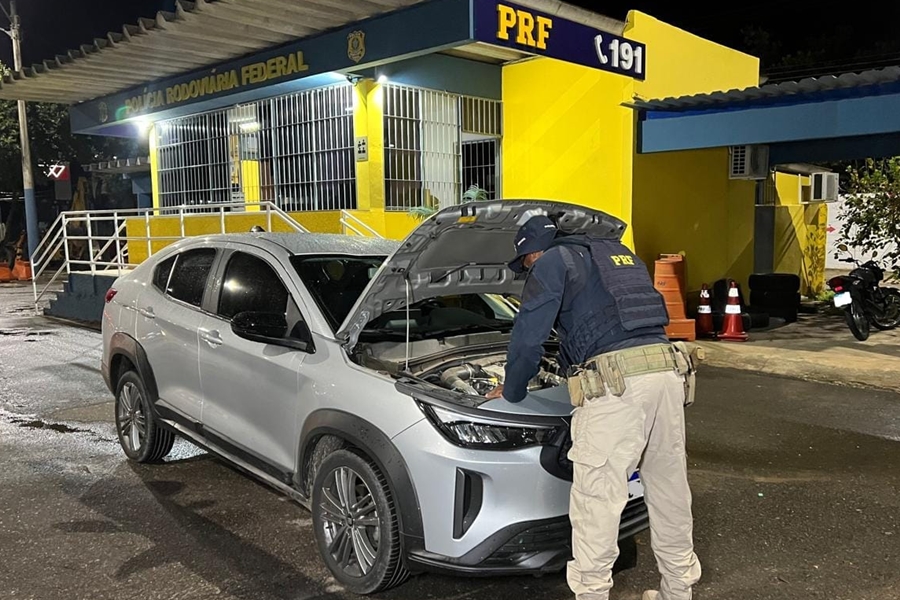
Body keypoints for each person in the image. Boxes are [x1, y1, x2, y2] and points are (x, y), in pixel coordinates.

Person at [486, 214, 702, 600]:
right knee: (669, 490)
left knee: (597, 500)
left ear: (532, 252)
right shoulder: (614, 254)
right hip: (667, 374)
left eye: (524, 265)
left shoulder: (551, 262)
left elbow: (527, 340)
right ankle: (678, 590)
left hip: (618, 385)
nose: (526, 273)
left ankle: (591, 595)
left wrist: (514, 390)